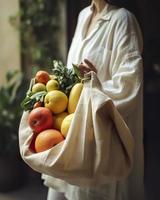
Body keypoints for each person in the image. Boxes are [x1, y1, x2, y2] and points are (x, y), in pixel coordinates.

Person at [43, 0, 144, 199]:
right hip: (71, 133)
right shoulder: (83, 16)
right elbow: (75, 72)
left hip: (101, 138)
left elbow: (130, 85)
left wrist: (95, 84)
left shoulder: (123, 20)